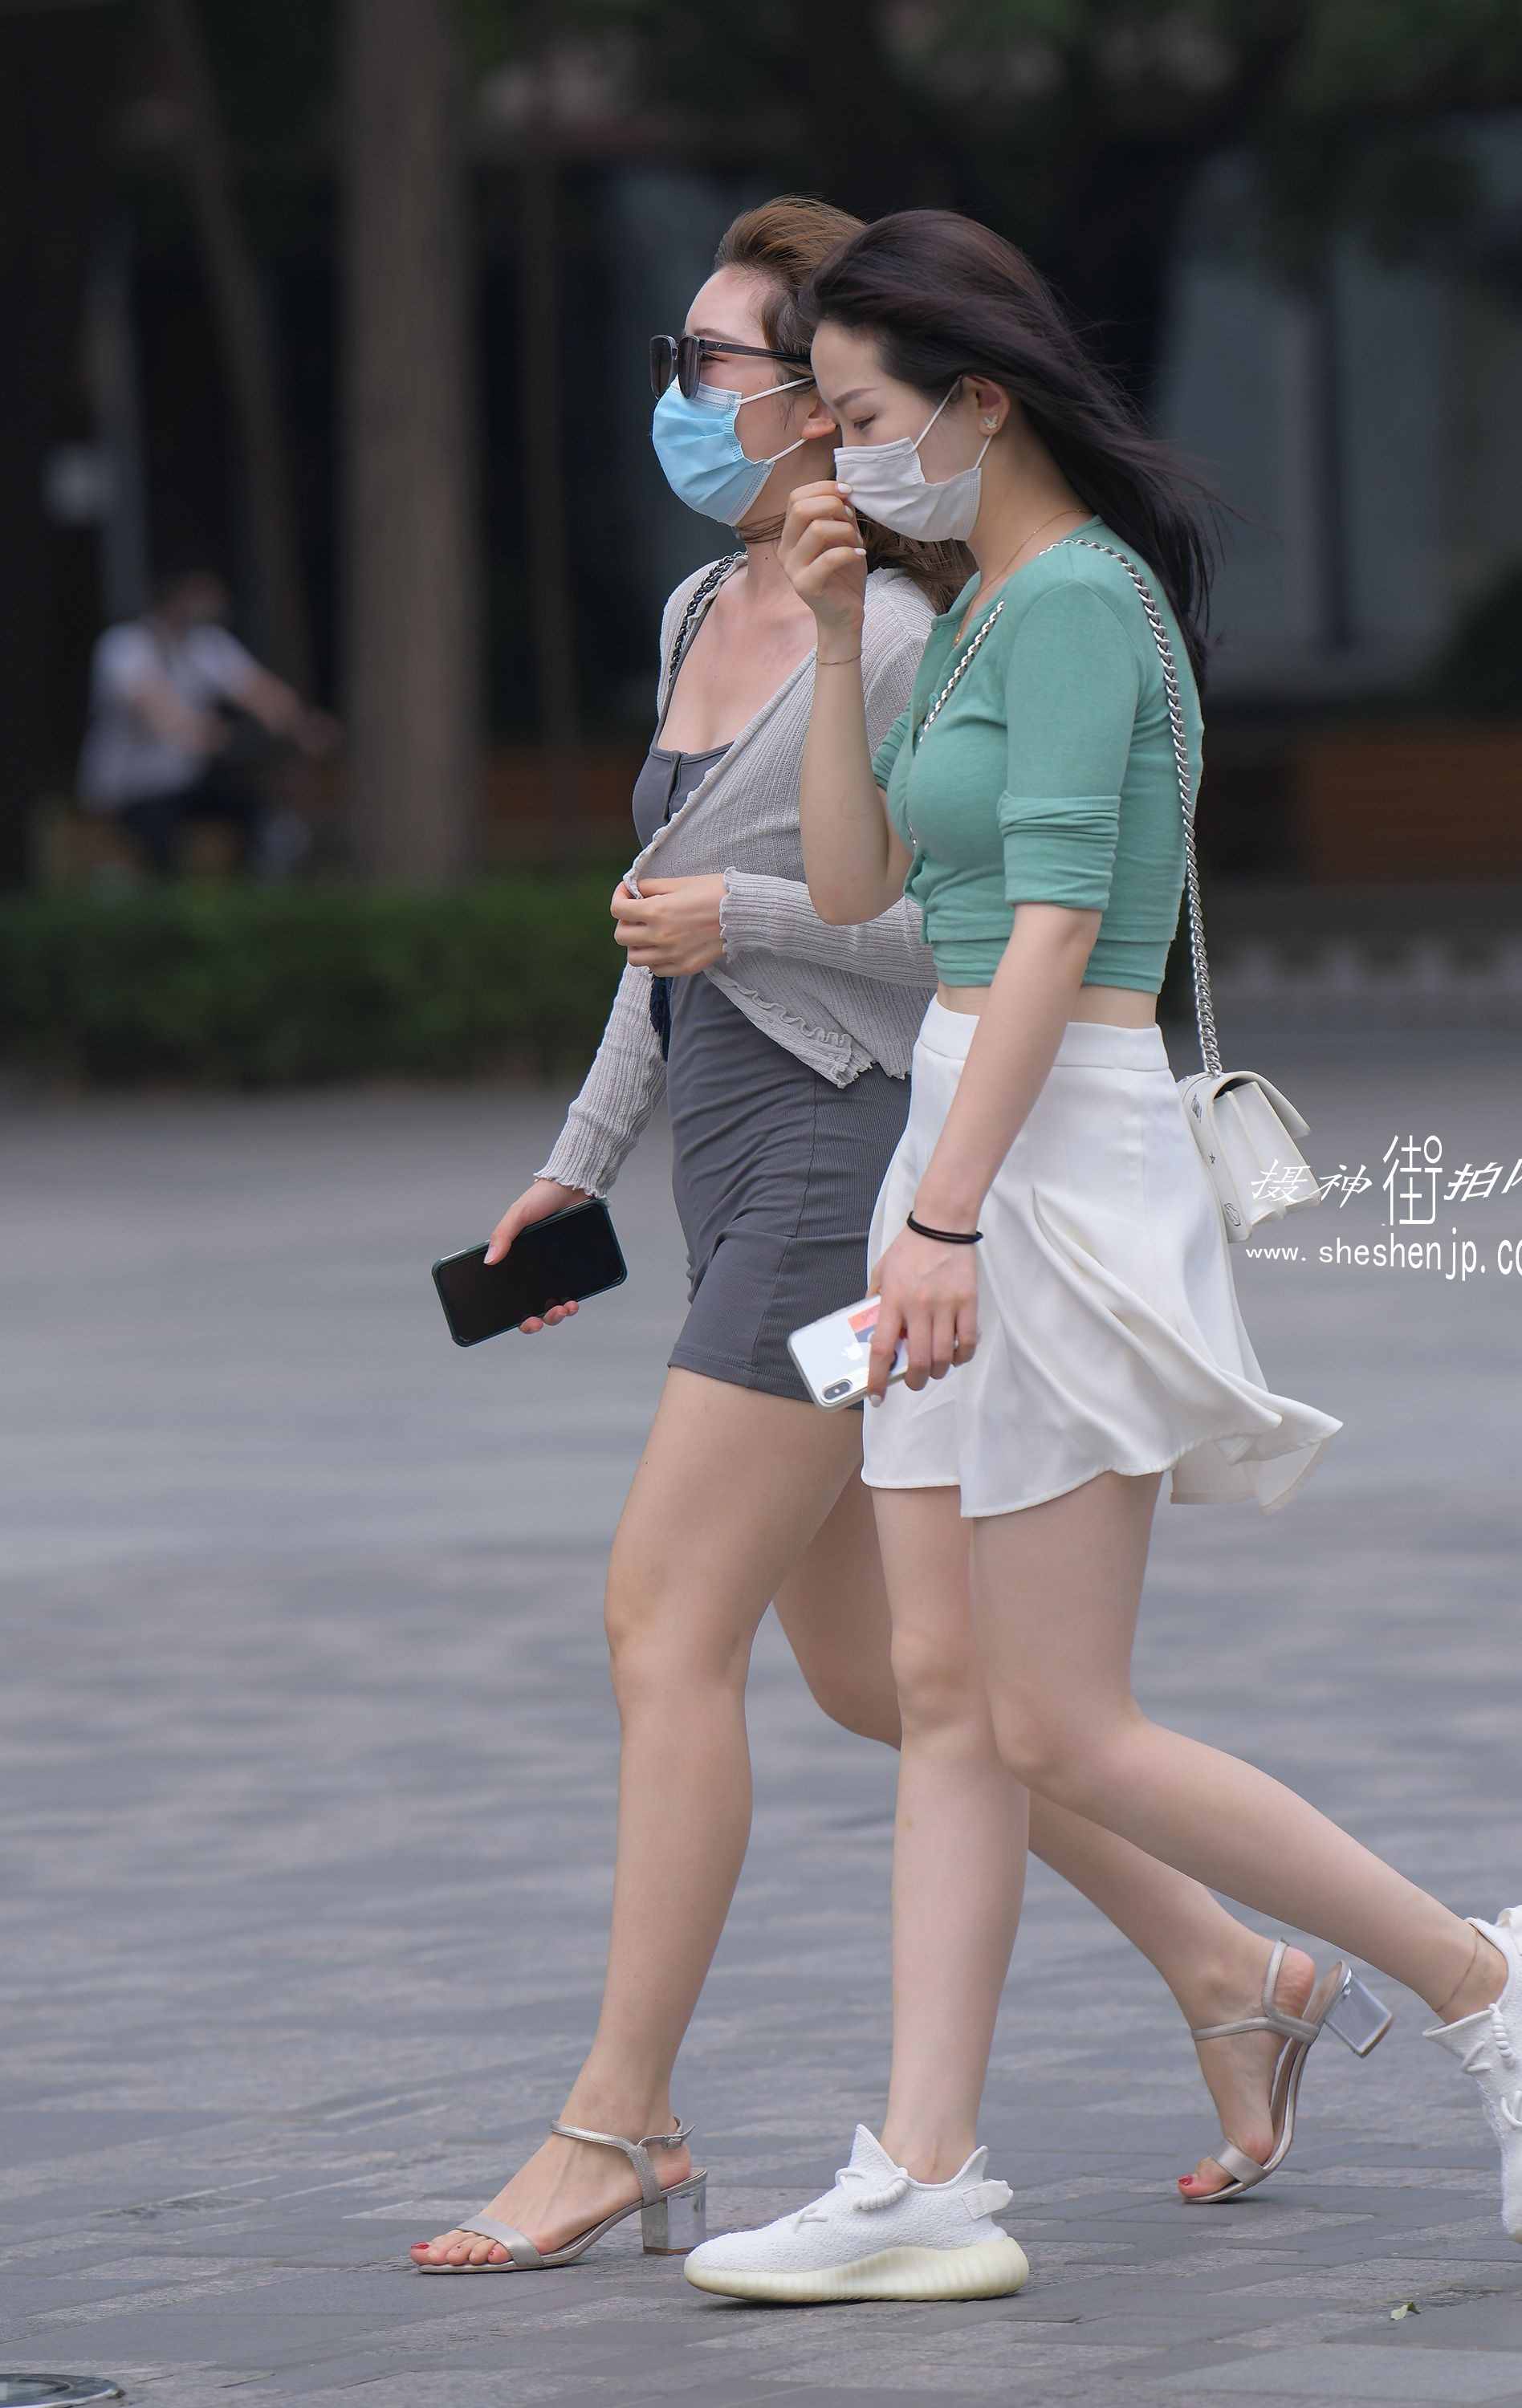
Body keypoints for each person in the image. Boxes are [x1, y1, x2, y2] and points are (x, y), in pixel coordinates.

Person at [409, 196, 1357, 2280]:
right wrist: (581, 1161)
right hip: (733, 1161)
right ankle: (1237, 1972)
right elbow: (652, 934)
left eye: (723, 366)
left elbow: (948, 940)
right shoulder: (706, 609)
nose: (689, 398)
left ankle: (620, 2122)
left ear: (824, 397)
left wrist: (739, 919)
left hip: (860, 1182)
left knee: (665, 1622)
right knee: (885, 1676)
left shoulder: (945, 627)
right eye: (679, 361)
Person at [680, 207, 1522, 2304]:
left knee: (1059, 1722)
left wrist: (941, 1216)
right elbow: (854, 880)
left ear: (981, 402)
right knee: (944, 1701)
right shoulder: (971, 608)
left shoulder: (1084, 604)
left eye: (864, 416)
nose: (839, 454)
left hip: (1050, 1157)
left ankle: (1496, 1983)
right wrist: (827, 632)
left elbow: (1064, 936)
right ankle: (921, 2175)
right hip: (961, 1127)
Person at [76, 569, 337, 877]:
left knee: (257, 815)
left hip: (187, 781)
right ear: (175, 597)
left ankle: (258, 886)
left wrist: (302, 725)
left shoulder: (207, 644)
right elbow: (154, 707)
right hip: (131, 789)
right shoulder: (124, 645)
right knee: (161, 852)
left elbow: (260, 692)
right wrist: (202, 732)